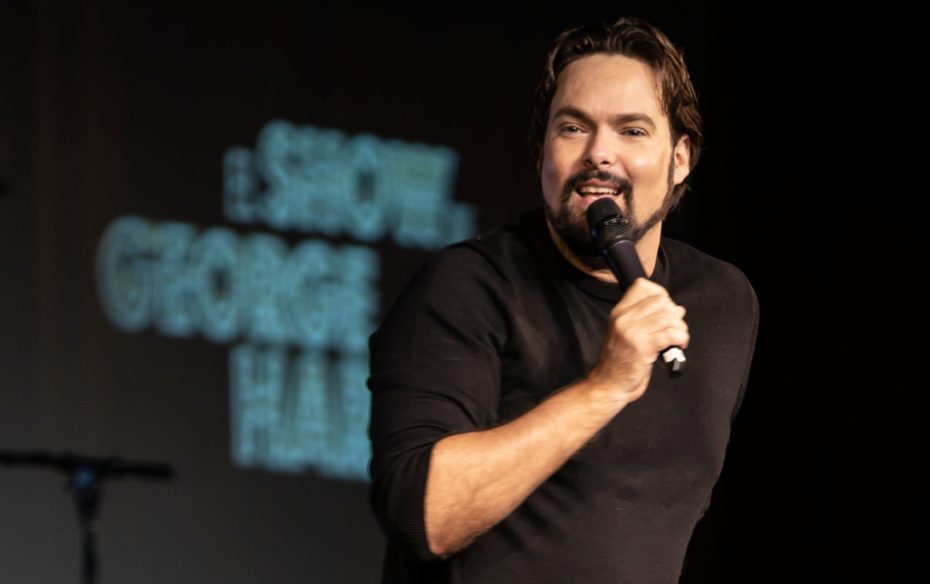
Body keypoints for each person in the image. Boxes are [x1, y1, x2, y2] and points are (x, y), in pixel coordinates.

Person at [367, 16, 759, 584]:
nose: (599, 154)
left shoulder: (723, 302)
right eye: (573, 128)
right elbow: (422, 516)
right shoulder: (467, 285)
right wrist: (604, 387)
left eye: (631, 131)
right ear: (542, 151)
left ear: (681, 158)